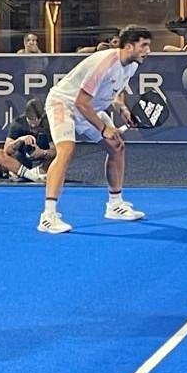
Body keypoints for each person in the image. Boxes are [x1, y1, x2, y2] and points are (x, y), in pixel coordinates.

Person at [38, 26, 151, 234]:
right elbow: (81, 103)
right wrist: (103, 128)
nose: (148, 50)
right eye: (144, 45)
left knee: (117, 147)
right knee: (66, 150)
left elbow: (117, 92)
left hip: (90, 108)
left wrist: (122, 109)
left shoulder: (132, 64)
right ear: (128, 46)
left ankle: (115, 205)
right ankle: (48, 216)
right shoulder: (104, 63)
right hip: (64, 103)